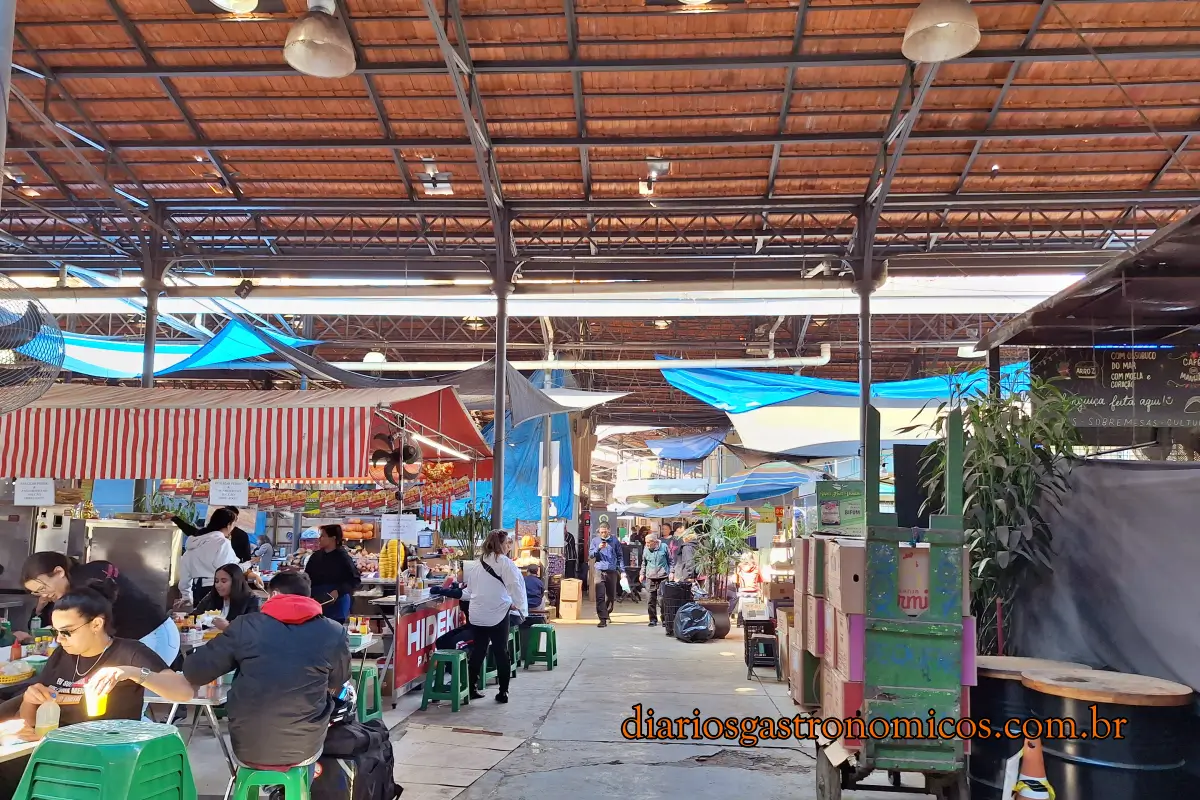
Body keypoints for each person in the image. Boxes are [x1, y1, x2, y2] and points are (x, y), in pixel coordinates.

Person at [0, 587, 194, 797]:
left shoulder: (129, 652)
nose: (59, 639)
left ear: (96, 624)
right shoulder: (61, 656)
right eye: (56, 632)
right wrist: (30, 700)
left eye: (67, 632)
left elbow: (183, 692)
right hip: (53, 748)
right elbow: (30, 722)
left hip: (100, 757)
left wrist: (131, 673)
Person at [183, 572, 350, 770]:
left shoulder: (245, 626)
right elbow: (339, 680)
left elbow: (195, 672)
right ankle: (301, 790)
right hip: (305, 746)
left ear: (273, 595)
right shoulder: (333, 630)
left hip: (248, 745)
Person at [21, 552, 181, 666]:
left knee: (129, 701)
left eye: (42, 588)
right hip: (142, 639)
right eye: (36, 592)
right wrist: (40, 608)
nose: (44, 595)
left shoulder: (88, 581)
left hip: (153, 636)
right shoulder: (73, 586)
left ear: (59, 572)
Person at [463, 530, 526, 704]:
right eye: (507, 543)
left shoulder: (478, 563)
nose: (508, 546)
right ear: (500, 545)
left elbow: (470, 590)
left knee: (478, 651)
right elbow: (516, 586)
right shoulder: (505, 563)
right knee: (501, 652)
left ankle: (472, 688)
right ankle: (503, 692)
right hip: (498, 614)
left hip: (477, 615)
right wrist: (518, 605)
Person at [177, 508, 241, 608]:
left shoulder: (193, 544)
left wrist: (186, 596)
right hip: (218, 590)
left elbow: (185, 575)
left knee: (199, 622)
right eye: (233, 525)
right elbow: (229, 569)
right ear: (228, 525)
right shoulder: (222, 543)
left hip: (197, 590)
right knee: (217, 621)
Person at [304, 524, 362, 625]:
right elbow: (307, 577)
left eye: (323, 536)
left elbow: (355, 579)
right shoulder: (315, 556)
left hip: (337, 603)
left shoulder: (343, 557)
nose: (319, 539)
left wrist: (338, 591)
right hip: (316, 601)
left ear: (333, 538)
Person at [193, 564, 261, 632]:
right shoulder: (212, 596)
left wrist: (228, 627)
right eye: (216, 581)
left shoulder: (251, 600)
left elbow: (251, 631)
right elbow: (195, 615)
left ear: (235, 582)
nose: (218, 585)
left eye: (224, 581)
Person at [590, 525, 623, 628]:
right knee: (600, 595)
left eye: (605, 532)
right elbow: (591, 555)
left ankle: (607, 611)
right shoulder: (595, 541)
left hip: (612, 570)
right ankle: (602, 618)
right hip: (599, 569)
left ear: (609, 530)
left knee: (611, 596)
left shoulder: (615, 541)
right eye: (601, 532)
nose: (603, 534)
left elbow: (620, 556)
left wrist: (622, 570)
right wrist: (598, 548)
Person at [640, 533, 670, 628]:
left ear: (655, 542)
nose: (647, 544)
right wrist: (642, 574)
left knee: (662, 600)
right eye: (646, 543)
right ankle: (652, 619)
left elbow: (671, 561)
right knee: (650, 599)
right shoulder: (646, 549)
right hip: (650, 577)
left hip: (663, 576)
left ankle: (664, 619)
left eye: (649, 542)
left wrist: (672, 572)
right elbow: (644, 563)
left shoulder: (664, 547)